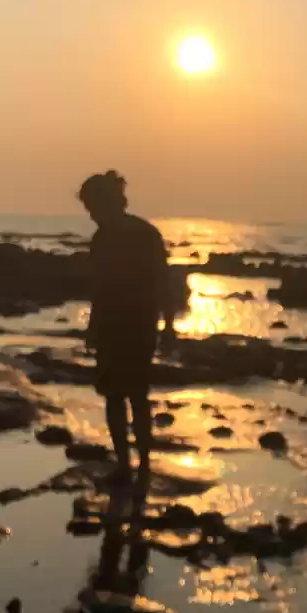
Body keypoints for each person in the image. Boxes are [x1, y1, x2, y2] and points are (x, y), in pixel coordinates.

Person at [78, 170, 176, 485]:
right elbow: (99, 287)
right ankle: (132, 463)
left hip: (132, 324)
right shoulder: (116, 236)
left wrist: (169, 324)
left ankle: (135, 463)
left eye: (92, 207)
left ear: (108, 202)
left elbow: (162, 280)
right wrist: (93, 326)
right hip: (123, 324)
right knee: (125, 394)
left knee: (126, 395)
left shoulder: (137, 234)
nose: (91, 214)